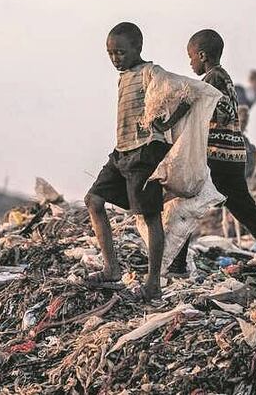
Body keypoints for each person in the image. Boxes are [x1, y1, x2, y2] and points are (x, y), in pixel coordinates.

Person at [84, 22, 187, 301]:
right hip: (122, 152)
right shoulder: (124, 76)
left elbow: (183, 94)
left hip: (145, 153)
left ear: (137, 48)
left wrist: (170, 121)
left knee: (149, 215)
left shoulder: (150, 72)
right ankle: (111, 268)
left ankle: (153, 283)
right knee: (93, 200)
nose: (115, 58)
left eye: (120, 52)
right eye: (110, 53)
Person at [172, 29, 256, 269]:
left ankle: (176, 266)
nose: (190, 62)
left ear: (202, 56)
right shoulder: (224, 79)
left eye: (191, 56)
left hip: (216, 158)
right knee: (245, 210)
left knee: (185, 206)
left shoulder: (213, 79)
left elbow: (216, 113)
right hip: (233, 157)